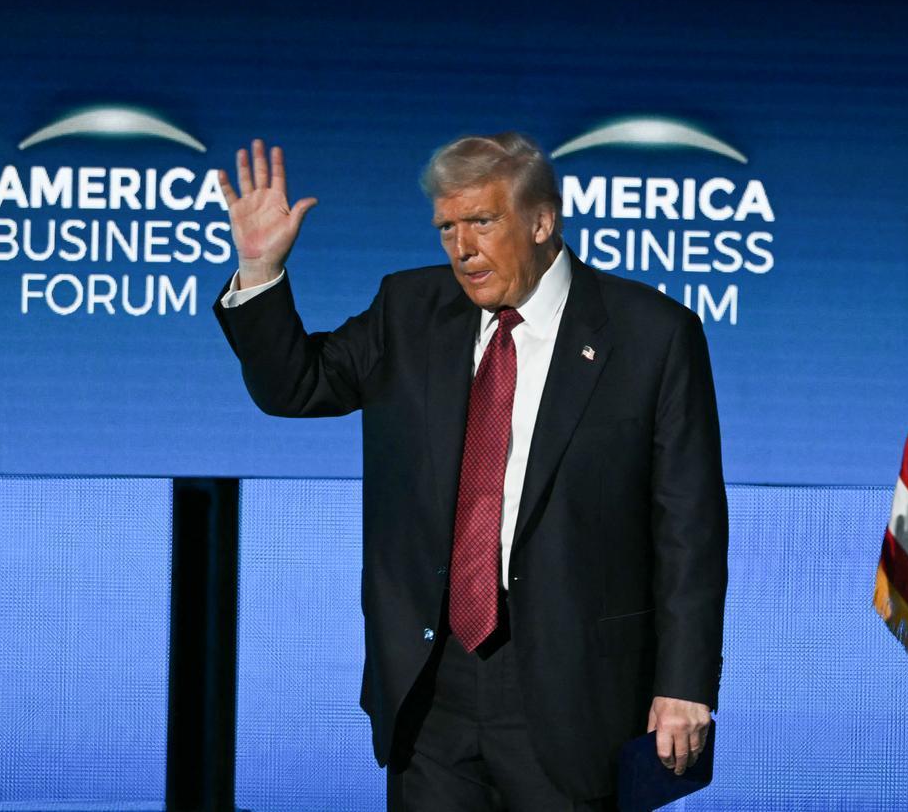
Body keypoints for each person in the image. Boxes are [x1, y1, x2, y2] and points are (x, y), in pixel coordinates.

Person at [213, 133, 728, 810]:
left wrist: (685, 682)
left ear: (542, 221)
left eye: (482, 222)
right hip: (432, 686)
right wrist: (259, 274)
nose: (462, 247)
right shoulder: (410, 310)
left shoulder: (652, 335)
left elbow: (689, 525)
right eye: (447, 227)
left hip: (574, 689)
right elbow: (297, 387)